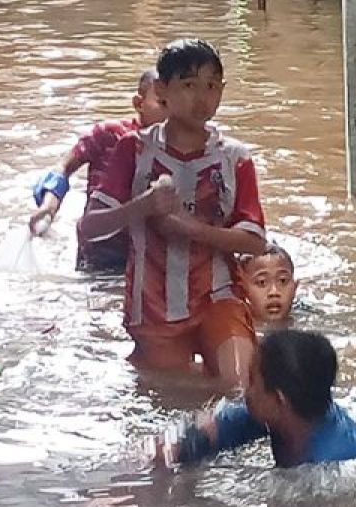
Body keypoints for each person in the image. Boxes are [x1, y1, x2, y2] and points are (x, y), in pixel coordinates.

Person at [79, 39, 267, 386]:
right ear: (163, 90)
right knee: (171, 393)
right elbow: (89, 228)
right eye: (189, 85)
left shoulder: (234, 157)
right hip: (152, 306)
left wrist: (191, 229)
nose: (202, 98)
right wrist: (142, 206)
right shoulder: (134, 150)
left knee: (240, 386)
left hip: (219, 296)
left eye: (211, 86)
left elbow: (255, 241)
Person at [159, 329, 356, 468]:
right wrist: (184, 447)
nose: (245, 391)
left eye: (252, 381)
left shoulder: (330, 464)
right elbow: (221, 428)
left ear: (279, 400)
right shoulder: (289, 414)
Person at [29, 69, 167, 271]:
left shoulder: (179, 146)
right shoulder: (109, 134)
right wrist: (49, 207)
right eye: (162, 103)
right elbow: (63, 169)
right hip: (98, 250)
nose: (171, 112)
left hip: (145, 255)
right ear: (139, 104)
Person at [238, 243, 299, 329]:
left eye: (283, 280)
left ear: (295, 287)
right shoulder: (233, 330)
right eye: (262, 282)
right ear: (242, 289)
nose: (274, 292)